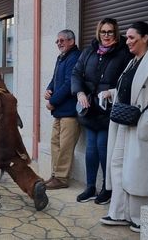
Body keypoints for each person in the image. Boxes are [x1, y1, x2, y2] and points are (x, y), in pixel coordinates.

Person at [98, 21, 148, 233]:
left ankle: (139, 217)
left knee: (136, 171)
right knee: (118, 164)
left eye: (132, 38)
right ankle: (119, 212)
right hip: (124, 120)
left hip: (139, 122)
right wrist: (111, 93)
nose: (127, 41)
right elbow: (127, 88)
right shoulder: (134, 61)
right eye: (128, 38)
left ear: (145, 37)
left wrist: (147, 118)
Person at [71, 18, 132, 204]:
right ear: (98, 33)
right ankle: (90, 187)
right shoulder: (89, 51)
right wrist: (79, 92)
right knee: (90, 149)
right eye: (103, 32)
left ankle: (107, 188)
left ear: (116, 33)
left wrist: (111, 93)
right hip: (89, 109)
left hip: (108, 110)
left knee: (103, 148)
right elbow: (76, 73)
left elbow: (127, 80)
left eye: (110, 32)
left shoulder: (123, 53)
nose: (106, 35)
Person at [44, 29, 81, 189]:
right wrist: (48, 89)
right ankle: (54, 175)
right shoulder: (61, 58)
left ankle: (61, 178)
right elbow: (55, 79)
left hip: (70, 112)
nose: (59, 43)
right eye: (57, 41)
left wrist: (53, 101)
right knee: (55, 143)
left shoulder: (74, 57)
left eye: (62, 40)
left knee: (65, 146)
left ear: (71, 41)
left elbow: (68, 84)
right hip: (59, 111)